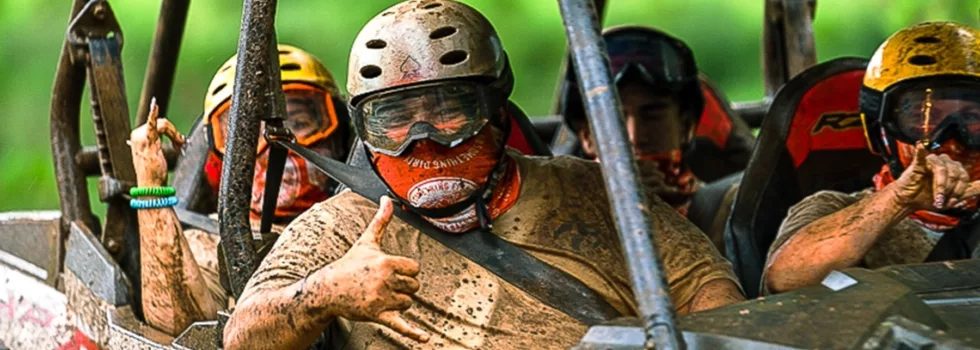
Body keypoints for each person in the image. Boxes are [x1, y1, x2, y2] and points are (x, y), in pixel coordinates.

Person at [223, 2, 744, 349]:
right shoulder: (339, 228)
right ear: (366, 128)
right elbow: (243, 335)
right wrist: (328, 292)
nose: (421, 135)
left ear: (496, 111)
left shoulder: (588, 191)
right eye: (395, 117)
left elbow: (706, 285)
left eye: (450, 108)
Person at [128, 44, 351, 335]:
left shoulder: (360, 223)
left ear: (340, 137)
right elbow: (179, 326)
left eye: (298, 123)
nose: (273, 143)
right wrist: (151, 183)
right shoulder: (208, 243)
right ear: (217, 156)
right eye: (245, 133)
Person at [763, 22, 980, 295]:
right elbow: (783, 279)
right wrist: (900, 200)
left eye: (971, 119)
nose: (950, 141)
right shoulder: (831, 207)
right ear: (882, 133)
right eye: (923, 119)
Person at [562, 26, 735, 250]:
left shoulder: (730, 212)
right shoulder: (552, 214)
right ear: (587, 137)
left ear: (686, 127)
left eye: (653, 116)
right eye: (615, 119)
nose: (635, 137)